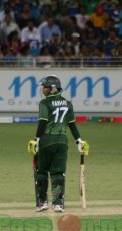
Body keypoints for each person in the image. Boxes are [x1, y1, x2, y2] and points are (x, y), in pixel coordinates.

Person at [27, 75, 85, 213]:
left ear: (53, 88)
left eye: (46, 87)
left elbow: (42, 122)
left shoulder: (45, 103)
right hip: (62, 142)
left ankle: (42, 202)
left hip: (47, 141)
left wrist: (36, 139)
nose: (43, 89)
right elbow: (72, 125)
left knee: (41, 172)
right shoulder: (68, 103)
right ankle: (58, 204)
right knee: (58, 173)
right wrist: (79, 141)